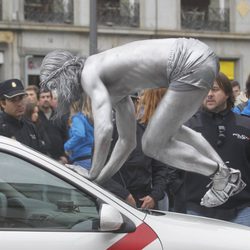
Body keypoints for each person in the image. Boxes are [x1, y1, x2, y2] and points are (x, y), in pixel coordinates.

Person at [40, 37, 245, 207]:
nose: (56, 94)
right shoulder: (116, 86)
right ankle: (226, 174)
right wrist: (99, 179)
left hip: (187, 63)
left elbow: (103, 130)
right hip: (198, 57)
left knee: (152, 144)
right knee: (172, 131)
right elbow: (126, 142)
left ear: (62, 76)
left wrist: (91, 173)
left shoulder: (89, 73)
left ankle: (220, 175)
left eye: (54, 87)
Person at [171, 72, 250, 226]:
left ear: (227, 93)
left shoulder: (246, 126)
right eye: (204, 90)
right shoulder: (187, 126)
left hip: (242, 210)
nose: (209, 94)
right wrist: (182, 192)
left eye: (214, 89)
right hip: (196, 209)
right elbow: (173, 166)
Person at [111, 89, 168, 209]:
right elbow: (99, 174)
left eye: (131, 102)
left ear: (136, 104)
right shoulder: (108, 133)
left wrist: (154, 196)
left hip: (144, 204)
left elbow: (161, 169)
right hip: (114, 202)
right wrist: (124, 195)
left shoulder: (148, 133)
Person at [0, 78, 46, 153]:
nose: (19, 104)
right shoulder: (1, 128)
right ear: (3, 103)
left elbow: (41, 153)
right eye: (14, 100)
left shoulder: (30, 127)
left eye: (21, 98)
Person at [38, 89, 68, 163]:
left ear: (51, 99)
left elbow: (66, 137)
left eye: (48, 97)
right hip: (42, 159)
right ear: (38, 100)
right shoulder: (36, 117)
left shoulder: (59, 116)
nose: (46, 99)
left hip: (60, 159)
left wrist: (65, 155)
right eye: (43, 97)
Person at [64, 97, 94, 170]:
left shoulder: (77, 118)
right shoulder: (89, 118)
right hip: (91, 157)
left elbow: (79, 134)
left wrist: (67, 146)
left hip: (81, 159)